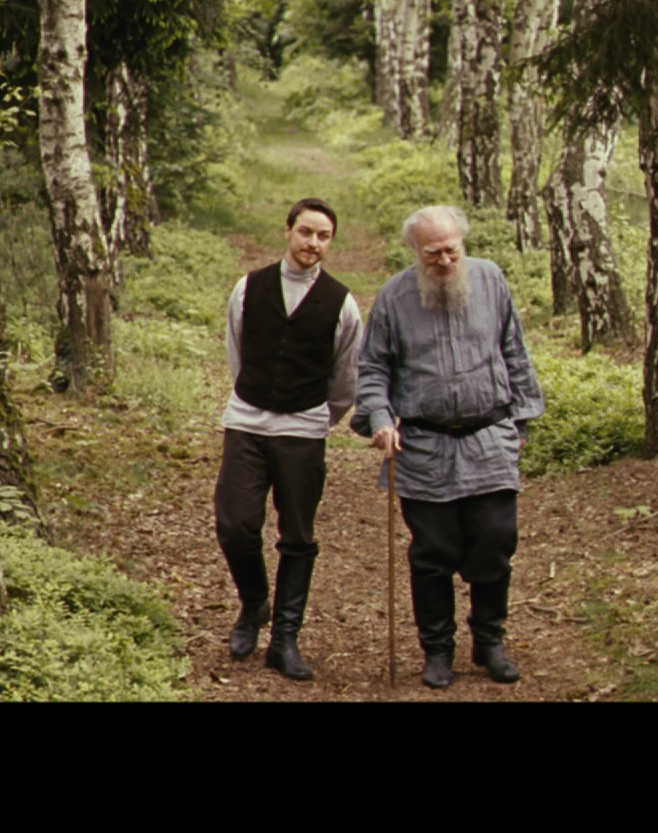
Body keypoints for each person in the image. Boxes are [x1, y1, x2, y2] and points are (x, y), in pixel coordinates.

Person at [355, 204, 544, 689]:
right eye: (433, 253)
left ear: (463, 244)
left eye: (451, 251)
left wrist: (522, 418)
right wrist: (380, 419)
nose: (444, 261)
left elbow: (514, 349)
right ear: (415, 251)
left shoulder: (491, 279)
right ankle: (437, 650)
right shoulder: (394, 297)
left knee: (495, 540)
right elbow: (373, 368)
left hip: (489, 438)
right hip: (423, 445)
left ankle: (490, 641)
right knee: (433, 552)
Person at [215, 198, 362, 681]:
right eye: (305, 232)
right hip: (247, 422)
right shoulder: (249, 287)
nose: (312, 243)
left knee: (297, 535)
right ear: (288, 231)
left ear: (330, 242)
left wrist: (316, 418)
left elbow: (346, 377)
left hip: (303, 431)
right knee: (235, 524)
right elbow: (237, 351)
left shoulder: (341, 303)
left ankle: (285, 639)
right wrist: (257, 397)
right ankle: (254, 602)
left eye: (323, 236)